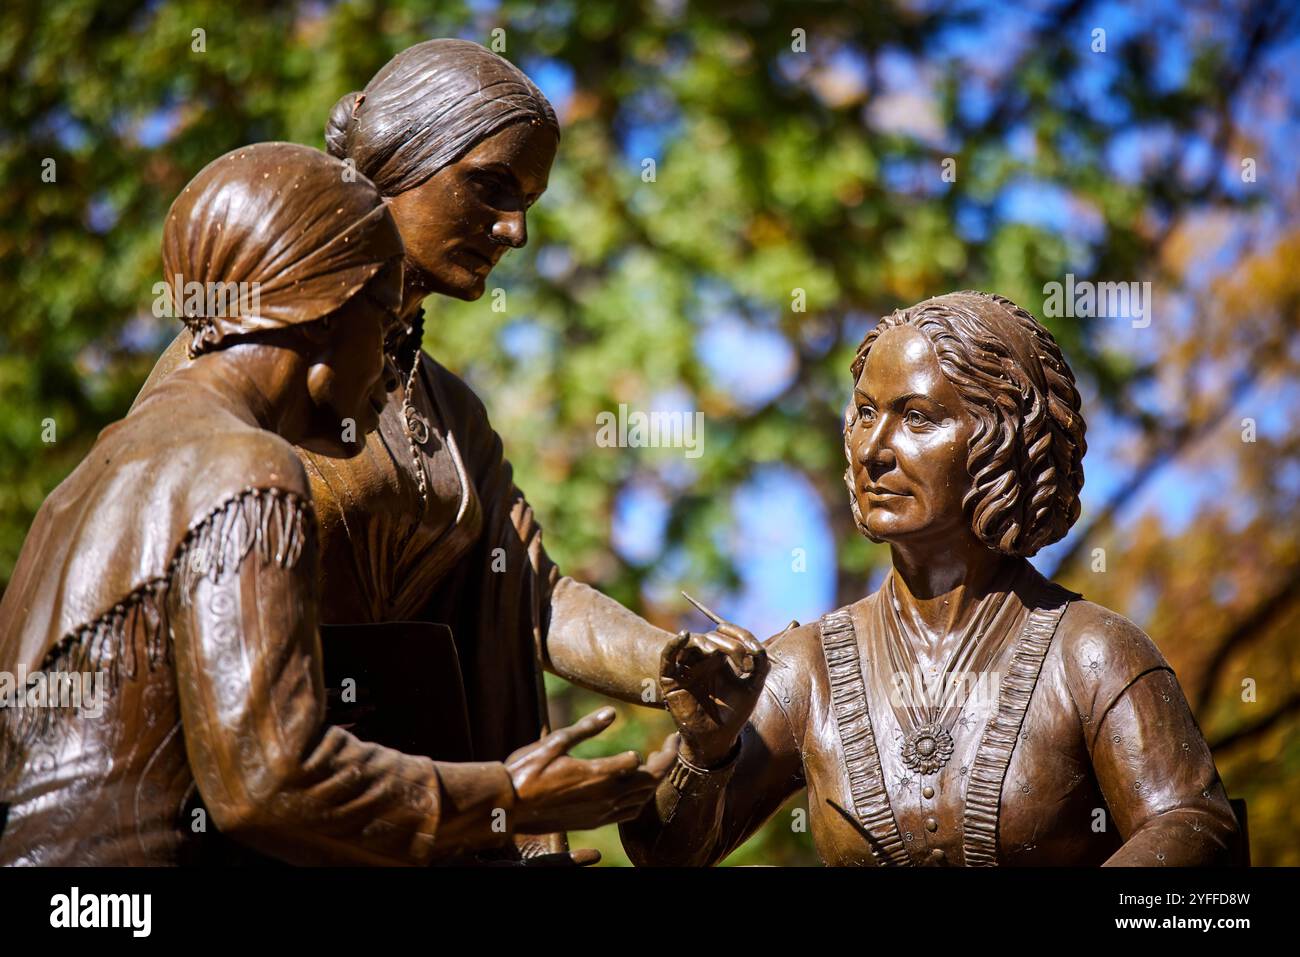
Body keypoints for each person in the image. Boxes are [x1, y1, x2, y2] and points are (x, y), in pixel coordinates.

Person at [133, 39, 729, 862]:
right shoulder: (248, 359)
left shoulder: (454, 412)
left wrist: (671, 665)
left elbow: (531, 597)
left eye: (529, 201)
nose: (515, 230)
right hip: (272, 801)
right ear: (392, 160)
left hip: (424, 811)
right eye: (490, 186)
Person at [0, 143, 673, 866]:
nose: (390, 371)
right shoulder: (248, 468)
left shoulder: (91, 477)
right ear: (322, 313)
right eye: (382, 324)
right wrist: (509, 794)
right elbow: (269, 781)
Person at [620, 291, 1243, 866]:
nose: (873, 448)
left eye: (916, 417)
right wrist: (707, 753)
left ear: (1004, 441)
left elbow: (1196, 827)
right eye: (865, 413)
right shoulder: (804, 670)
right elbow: (665, 854)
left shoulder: (1092, 653)